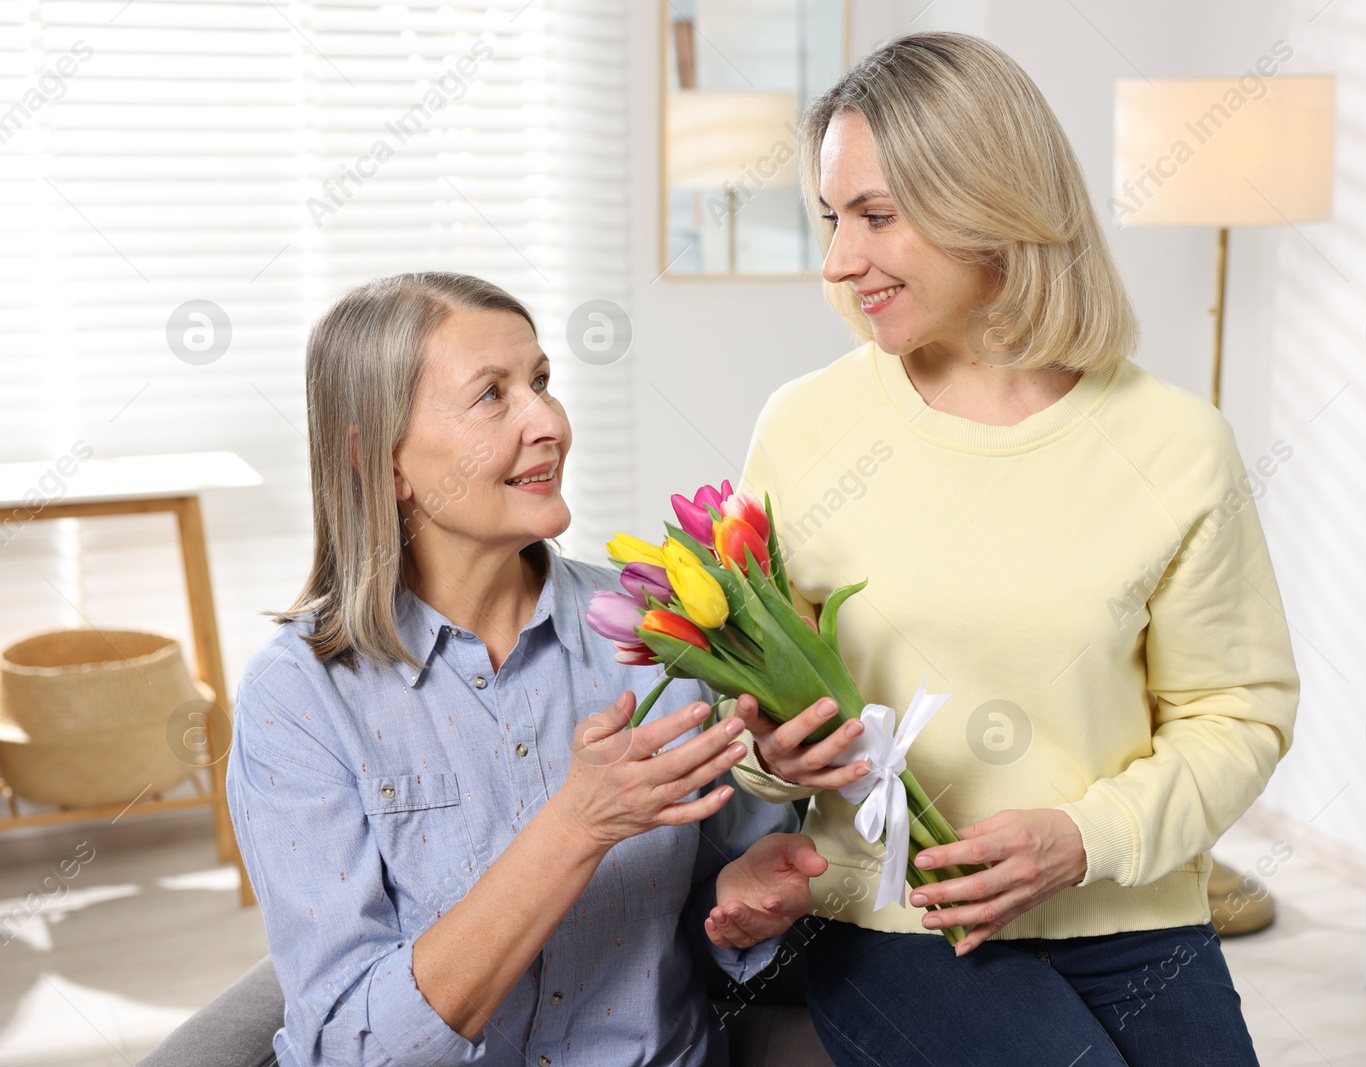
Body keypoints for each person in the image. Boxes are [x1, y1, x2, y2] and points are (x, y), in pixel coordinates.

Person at [724, 32, 1300, 1067]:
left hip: (1134, 915)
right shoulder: (803, 427)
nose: (837, 260)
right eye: (829, 218)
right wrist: (772, 754)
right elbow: (756, 703)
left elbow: (1237, 709)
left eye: (875, 217)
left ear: (991, 204)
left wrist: (1083, 837)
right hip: (892, 923)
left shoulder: (1174, 443)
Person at [225, 272, 826, 1067]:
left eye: (542, 383)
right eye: (492, 396)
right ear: (383, 460)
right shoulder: (299, 698)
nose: (549, 422)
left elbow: (708, 909)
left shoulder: (657, 629)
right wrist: (576, 826)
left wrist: (740, 899)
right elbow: (352, 1048)